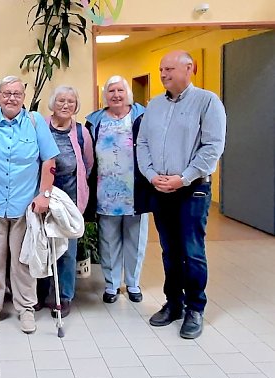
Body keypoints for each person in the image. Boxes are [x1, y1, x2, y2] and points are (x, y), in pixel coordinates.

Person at [137, 50, 226, 339]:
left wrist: (183, 178)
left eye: (169, 69)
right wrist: (152, 176)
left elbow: (212, 147)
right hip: (161, 187)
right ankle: (173, 303)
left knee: (192, 251)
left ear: (190, 68)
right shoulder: (154, 105)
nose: (163, 74)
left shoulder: (207, 102)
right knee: (169, 251)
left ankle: (195, 308)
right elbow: (142, 143)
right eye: (161, 69)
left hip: (193, 189)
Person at [0, 75, 58, 334]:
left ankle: (26, 308)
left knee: (23, 261)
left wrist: (44, 195)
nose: (11, 98)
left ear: (23, 97)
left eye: (16, 94)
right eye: (6, 93)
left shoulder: (34, 121)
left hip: (25, 207)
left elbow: (49, 161)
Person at [85, 75, 150, 306]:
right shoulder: (95, 121)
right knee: (109, 240)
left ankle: (133, 283)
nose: (116, 95)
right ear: (105, 96)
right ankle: (111, 284)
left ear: (128, 94)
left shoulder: (141, 117)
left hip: (135, 191)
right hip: (105, 192)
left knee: (135, 239)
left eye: (120, 91)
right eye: (111, 91)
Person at [36, 86, 93, 317]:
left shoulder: (82, 133)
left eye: (71, 101)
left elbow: (87, 164)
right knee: (41, 245)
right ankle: (40, 293)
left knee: (68, 249)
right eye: (61, 100)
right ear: (53, 103)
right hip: (43, 195)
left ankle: (65, 296)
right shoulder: (39, 126)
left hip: (70, 198)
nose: (66, 105)